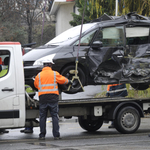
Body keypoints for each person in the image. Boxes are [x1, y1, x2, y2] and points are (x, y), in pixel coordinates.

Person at [34, 59, 71, 140]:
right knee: (54, 116)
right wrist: (69, 81)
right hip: (53, 97)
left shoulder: (39, 75)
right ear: (50, 65)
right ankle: (56, 135)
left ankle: (42, 135)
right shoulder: (54, 74)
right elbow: (63, 80)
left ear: (44, 65)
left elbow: (36, 85)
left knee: (42, 117)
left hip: (43, 97)